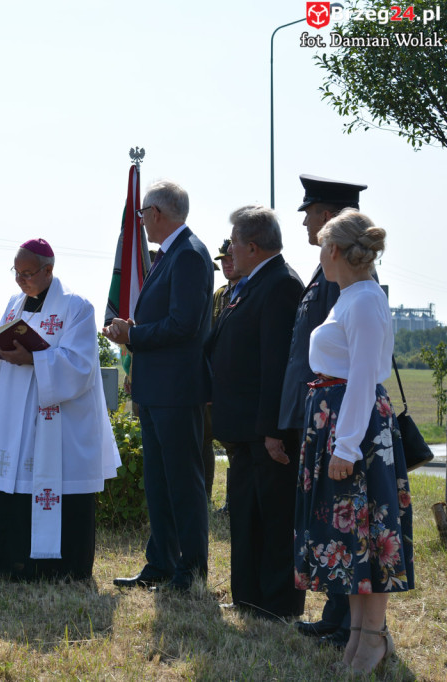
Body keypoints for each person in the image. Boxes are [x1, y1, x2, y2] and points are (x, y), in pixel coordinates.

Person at [293, 210, 413, 674]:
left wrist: (345, 446)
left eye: (323, 245)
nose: (319, 254)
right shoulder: (351, 297)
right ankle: (363, 636)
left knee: (369, 532)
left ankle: (372, 638)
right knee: (355, 534)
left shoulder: (363, 300)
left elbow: (363, 377)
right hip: (342, 420)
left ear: (336, 250)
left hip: (354, 427)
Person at [0, 239, 121, 580]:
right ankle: (8, 560)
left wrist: (34, 358)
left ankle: (54, 567)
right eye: (16, 272)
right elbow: (2, 352)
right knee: (13, 482)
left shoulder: (76, 307)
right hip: (13, 416)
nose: (20, 280)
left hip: (55, 419)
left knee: (50, 483)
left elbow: (80, 366)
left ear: (48, 270)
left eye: (28, 273)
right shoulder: (13, 304)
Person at [104, 180, 213, 593]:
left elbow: (184, 325)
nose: (141, 222)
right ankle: (162, 563)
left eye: (142, 214)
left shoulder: (188, 254)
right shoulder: (172, 253)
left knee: (182, 483)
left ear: (156, 213)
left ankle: (191, 570)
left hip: (176, 391)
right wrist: (134, 329)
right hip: (157, 389)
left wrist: (133, 335)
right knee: (160, 483)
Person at [279, 175, 367, 647]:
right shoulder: (327, 275)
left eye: (311, 213)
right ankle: (337, 614)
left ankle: (347, 620)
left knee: (343, 515)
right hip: (320, 410)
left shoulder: (351, 285)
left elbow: (353, 365)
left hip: (338, 413)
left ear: (330, 217)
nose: (306, 223)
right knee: (330, 514)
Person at [206, 206, 304, 619]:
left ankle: (278, 604)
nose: (228, 250)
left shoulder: (281, 284)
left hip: (265, 431)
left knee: (274, 517)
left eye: (232, 242)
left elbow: (277, 365)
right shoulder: (252, 283)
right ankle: (248, 597)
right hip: (243, 429)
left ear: (252, 246)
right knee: (246, 515)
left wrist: (273, 430)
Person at [210, 238, 242, 515]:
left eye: (230, 259)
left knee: (236, 446)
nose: (226, 264)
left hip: (238, 380)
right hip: (216, 379)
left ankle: (236, 501)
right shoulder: (219, 294)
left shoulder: (249, 290)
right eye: (223, 261)